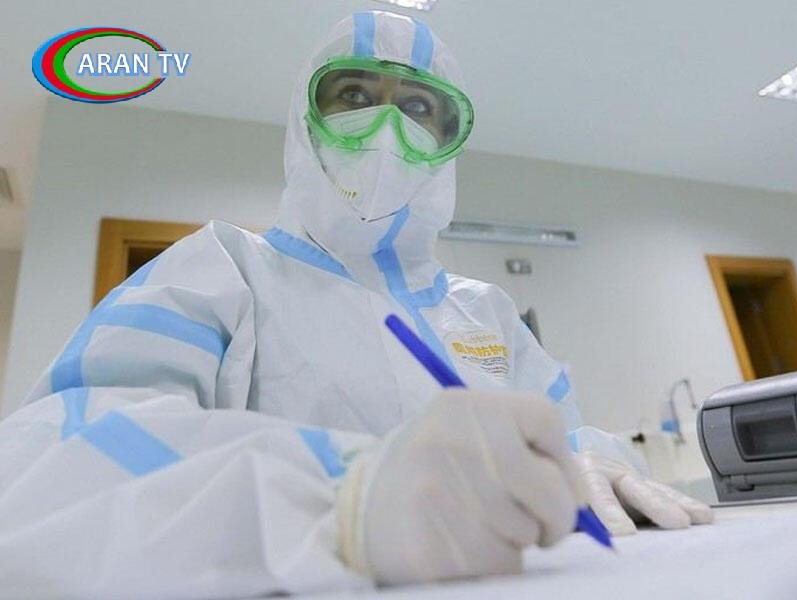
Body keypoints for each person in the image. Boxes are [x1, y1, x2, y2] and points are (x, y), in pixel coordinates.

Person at [0, 10, 711, 598]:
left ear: (448, 141)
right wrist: (343, 502)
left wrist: (589, 466)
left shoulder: (489, 314)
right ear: (304, 118)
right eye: (353, 95)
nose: (388, 126)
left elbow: (564, 439)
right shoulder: (219, 271)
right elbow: (48, 464)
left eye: (419, 107)